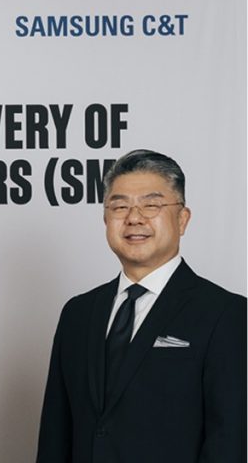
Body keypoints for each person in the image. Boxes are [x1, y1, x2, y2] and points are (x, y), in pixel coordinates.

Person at [36, 149, 247, 462]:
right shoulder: (77, 314)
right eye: (120, 206)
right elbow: (56, 435)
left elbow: (228, 439)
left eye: (151, 205)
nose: (134, 218)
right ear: (106, 218)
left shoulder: (226, 313)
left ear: (182, 218)